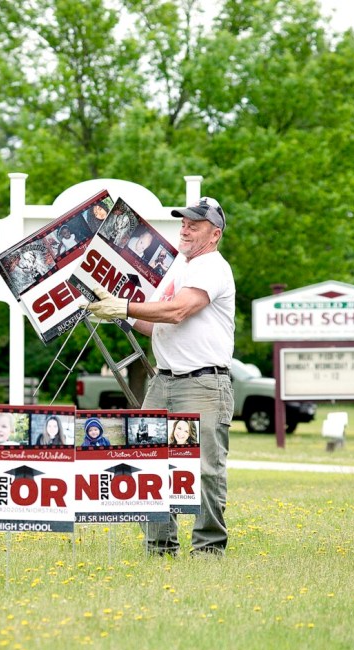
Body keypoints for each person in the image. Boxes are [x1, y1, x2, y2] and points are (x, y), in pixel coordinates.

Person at [82, 196, 234, 558]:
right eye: (182, 223)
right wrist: (118, 314)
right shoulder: (180, 267)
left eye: (193, 225)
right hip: (164, 381)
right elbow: (157, 325)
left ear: (214, 235)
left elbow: (179, 311)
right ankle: (160, 547)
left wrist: (125, 306)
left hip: (203, 383)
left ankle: (208, 550)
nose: (184, 229)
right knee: (146, 461)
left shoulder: (211, 266)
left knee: (204, 470)